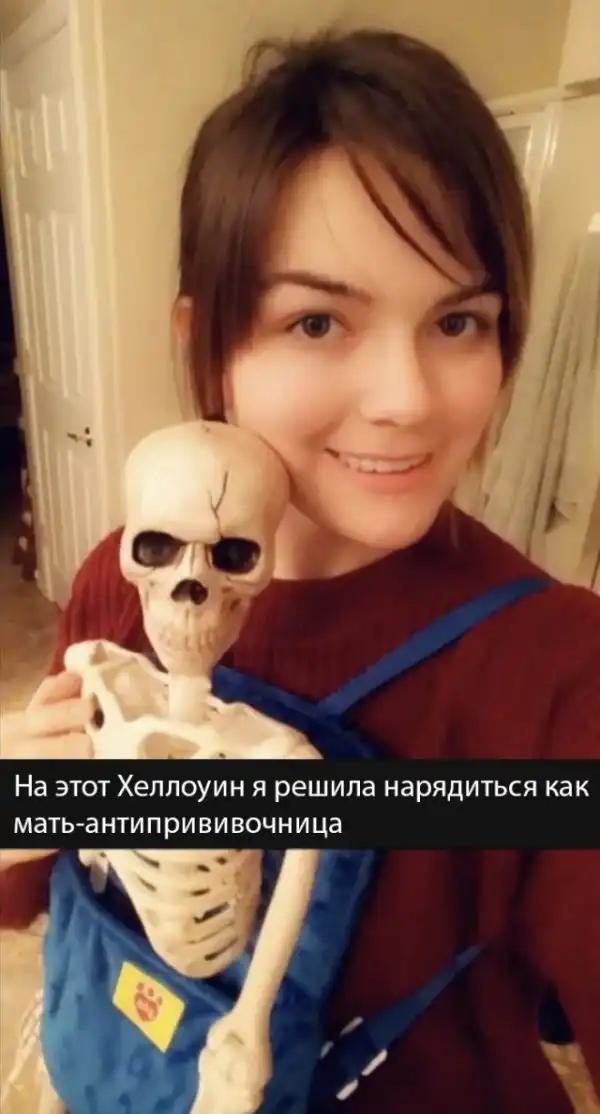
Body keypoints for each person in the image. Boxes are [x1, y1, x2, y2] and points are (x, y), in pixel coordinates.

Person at [1, 26, 599, 1114]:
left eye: (458, 320)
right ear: (207, 343)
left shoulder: (559, 672)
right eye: (317, 320)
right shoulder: (118, 583)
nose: (409, 399)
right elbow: (40, 889)